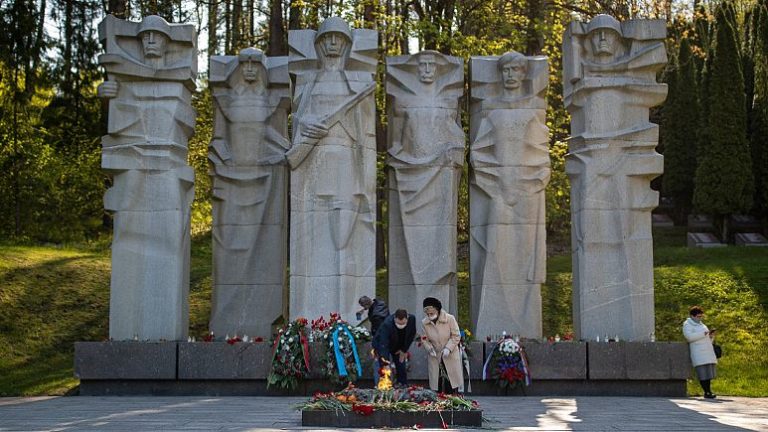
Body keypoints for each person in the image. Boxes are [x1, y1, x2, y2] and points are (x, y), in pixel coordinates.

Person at [420, 297, 463, 393]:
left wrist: (448, 348)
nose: (429, 315)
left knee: (451, 381)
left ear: (438, 310)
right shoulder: (425, 323)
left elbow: (456, 335)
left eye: (432, 313)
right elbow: (424, 339)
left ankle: (453, 400)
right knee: (437, 381)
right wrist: (430, 349)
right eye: (427, 314)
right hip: (435, 355)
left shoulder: (449, 319)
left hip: (450, 355)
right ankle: (439, 403)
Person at [372, 309, 417, 386]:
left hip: (398, 346)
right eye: (398, 324)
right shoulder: (387, 324)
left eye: (403, 324)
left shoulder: (412, 319)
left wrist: (404, 350)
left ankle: (402, 385)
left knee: (401, 365)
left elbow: (411, 335)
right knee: (383, 368)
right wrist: (385, 362)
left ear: (407, 318)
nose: (401, 326)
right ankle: (382, 388)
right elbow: (383, 344)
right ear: (394, 318)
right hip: (382, 345)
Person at [683, 305, 718, 399]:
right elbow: (689, 337)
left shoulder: (702, 325)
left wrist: (710, 336)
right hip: (698, 352)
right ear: (692, 316)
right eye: (698, 316)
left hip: (707, 351)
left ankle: (708, 391)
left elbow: (705, 338)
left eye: (701, 316)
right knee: (702, 373)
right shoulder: (687, 324)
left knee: (708, 373)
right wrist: (703, 334)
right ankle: (707, 392)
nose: (700, 318)